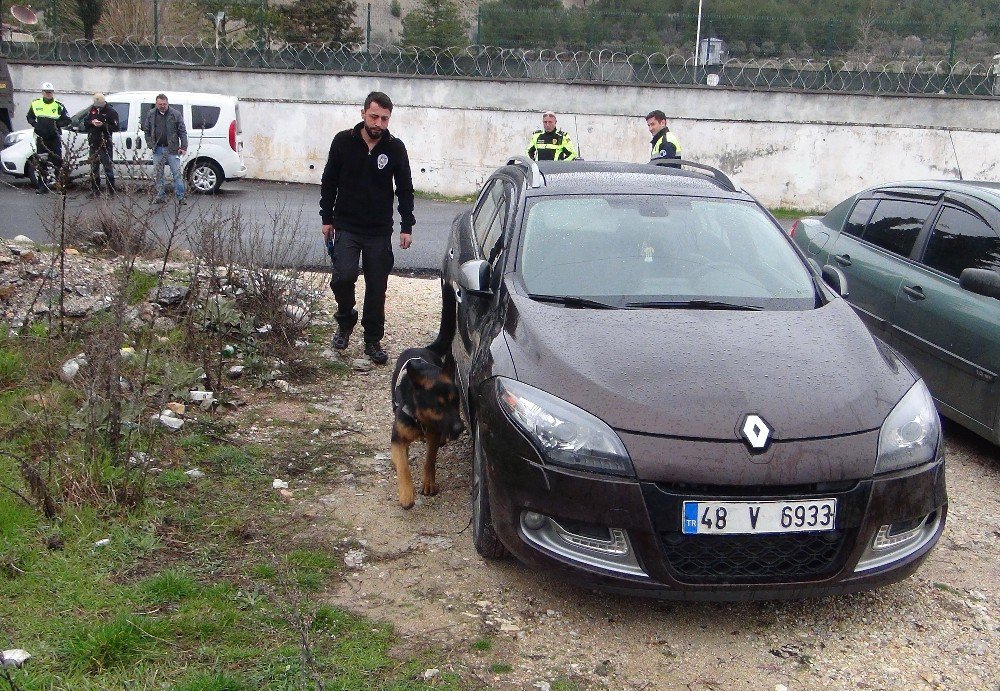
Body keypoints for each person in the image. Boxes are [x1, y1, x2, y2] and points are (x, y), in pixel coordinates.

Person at [320, 91, 415, 366]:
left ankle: (372, 340)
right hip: (346, 225)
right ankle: (346, 318)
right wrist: (327, 218)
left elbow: (405, 189)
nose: (379, 123)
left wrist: (406, 225)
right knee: (342, 277)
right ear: (363, 114)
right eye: (374, 116)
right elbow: (329, 182)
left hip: (379, 230)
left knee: (377, 287)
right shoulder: (342, 142)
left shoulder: (395, 148)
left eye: (385, 118)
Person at [142, 93, 187, 204]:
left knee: (176, 174)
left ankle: (181, 197)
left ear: (167, 103)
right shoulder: (151, 114)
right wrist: (150, 143)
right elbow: (146, 130)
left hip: (172, 149)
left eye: (164, 104)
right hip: (157, 149)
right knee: (158, 174)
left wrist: (184, 146)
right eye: (160, 104)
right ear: (156, 104)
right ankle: (160, 196)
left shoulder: (175, 114)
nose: (162, 106)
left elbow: (182, 131)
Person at [25, 82, 70, 194]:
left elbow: (67, 120)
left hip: (54, 138)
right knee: (41, 162)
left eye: (50, 92)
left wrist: (55, 125)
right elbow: (29, 117)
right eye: (46, 92)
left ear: (53, 93)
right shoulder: (35, 103)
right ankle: (42, 186)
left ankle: (59, 186)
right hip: (41, 139)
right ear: (43, 92)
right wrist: (36, 126)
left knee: (57, 162)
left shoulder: (58, 105)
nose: (48, 94)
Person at [83, 92, 119, 196]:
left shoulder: (111, 112)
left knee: (108, 168)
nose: (98, 107)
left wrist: (103, 125)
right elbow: (85, 123)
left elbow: (116, 127)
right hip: (93, 143)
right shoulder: (92, 110)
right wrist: (91, 123)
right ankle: (95, 190)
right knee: (94, 168)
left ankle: (111, 191)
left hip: (105, 143)